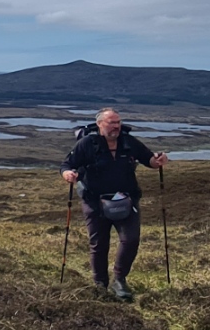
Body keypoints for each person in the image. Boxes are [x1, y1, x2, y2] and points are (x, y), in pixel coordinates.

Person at [62, 108, 167, 302]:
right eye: (112, 123)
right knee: (99, 244)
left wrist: (158, 160)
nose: (116, 127)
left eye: (118, 122)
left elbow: (149, 159)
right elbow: (67, 164)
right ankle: (100, 284)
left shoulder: (128, 141)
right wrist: (68, 174)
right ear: (100, 124)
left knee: (131, 240)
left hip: (127, 199)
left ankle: (119, 279)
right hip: (95, 201)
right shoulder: (87, 143)